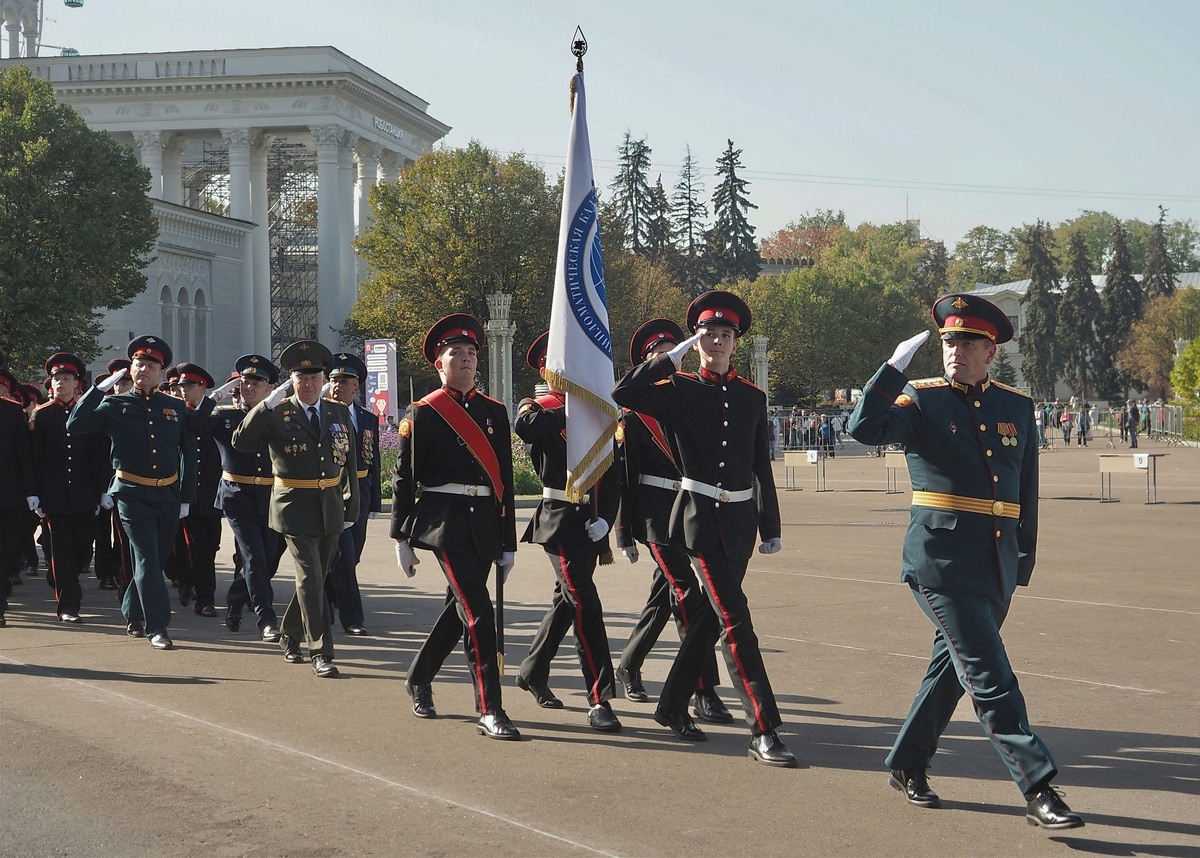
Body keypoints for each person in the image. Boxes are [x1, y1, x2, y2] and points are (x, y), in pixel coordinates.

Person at [847, 292, 1083, 830]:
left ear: (990, 351)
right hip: (940, 563)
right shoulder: (920, 399)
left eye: (968, 342)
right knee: (989, 674)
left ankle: (907, 761)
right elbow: (863, 430)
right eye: (949, 341)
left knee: (949, 673)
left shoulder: (1016, 406)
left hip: (996, 563)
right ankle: (1038, 783)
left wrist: (1023, 559)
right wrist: (889, 373)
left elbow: (1026, 491)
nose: (955, 350)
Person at [612, 291, 796, 767]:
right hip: (697, 520)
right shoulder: (678, 389)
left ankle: (673, 703)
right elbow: (623, 395)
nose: (717, 341)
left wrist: (770, 523)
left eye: (725, 335)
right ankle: (764, 728)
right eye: (708, 334)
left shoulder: (753, 397)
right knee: (738, 622)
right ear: (697, 342)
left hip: (740, 524)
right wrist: (666, 360)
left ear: (736, 343)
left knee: (713, 619)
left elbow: (761, 467)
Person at [391, 315, 519, 740]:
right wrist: (400, 538)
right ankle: (490, 708)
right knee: (479, 614)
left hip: (483, 524)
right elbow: (404, 478)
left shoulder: (495, 412)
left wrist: (508, 541)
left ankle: (418, 677)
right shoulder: (424, 413)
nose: (464, 359)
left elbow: (505, 482)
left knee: (458, 612)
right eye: (455, 354)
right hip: (443, 523)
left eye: (470, 353)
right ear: (439, 364)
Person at [613, 319, 733, 726]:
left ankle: (628, 665)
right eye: (663, 355)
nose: (674, 359)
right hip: (656, 516)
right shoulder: (633, 416)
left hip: (691, 512)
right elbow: (625, 477)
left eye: (676, 350)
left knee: (662, 602)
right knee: (689, 597)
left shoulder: (690, 401)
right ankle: (703, 690)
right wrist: (624, 531)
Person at [514, 330, 623, 733]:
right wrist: (575, 409)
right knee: (585, 603)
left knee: (566, 600)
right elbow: (527, 426)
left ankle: (532, 670)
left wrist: (607, 519)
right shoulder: (539, 405)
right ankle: (599, 697)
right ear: (545, 368)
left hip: (590, 520)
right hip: (558, 515)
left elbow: (612, 475)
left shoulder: (597, 409)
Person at [232, 340, 359, 678]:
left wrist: (352, 508)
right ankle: (321, 652)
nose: (309, 384)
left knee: (315, 579)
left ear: (323, 380)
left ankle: (289, 632)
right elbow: (241, 442)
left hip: (330, 506)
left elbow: (350, 464)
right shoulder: (278, 412)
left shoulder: (337, 411)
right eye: (301, 378)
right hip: (294, 508)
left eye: (315, 377)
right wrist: (263, 406)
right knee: (310, 576)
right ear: (292, 380)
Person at [67, 336, 198, 649]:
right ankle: (158, 627)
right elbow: (75, 425)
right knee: (148, 560)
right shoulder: (114, 404)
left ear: (160, 372)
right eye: (139, 364)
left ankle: (132, 611)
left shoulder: (174, 407)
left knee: (153, 558)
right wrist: (95, 391)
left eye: (151, 365)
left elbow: (187, 453)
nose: (144, 369)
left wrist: (186, 496)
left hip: (167, 495)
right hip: (131, 494)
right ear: (132, 368)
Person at [199, 354, 286, 639]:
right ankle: (267, 619)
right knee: (254, 556)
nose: (248, 387)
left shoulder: (279, 417)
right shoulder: (224, 415)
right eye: (244, 381)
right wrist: (213, 397)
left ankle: (236, 600)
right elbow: (194, 425)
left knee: (267, 560)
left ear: (269, 388)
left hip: (271, 496)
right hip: (237, 496)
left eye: (256, 382)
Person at [29, 353, 106, 624]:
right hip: (55, 497)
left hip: (84, 496)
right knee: (61, 551)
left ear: (77, 384)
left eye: (67, 379)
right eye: (56, 379)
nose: (61, 383)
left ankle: (66, 582)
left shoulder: (88, 414)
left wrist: (102, 491)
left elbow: (98, 456)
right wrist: (35, 493)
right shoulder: (43, 414)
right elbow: (34, 457)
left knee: (83, 547)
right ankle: (68, 605)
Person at [325, 352, 380, 636]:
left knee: (352, 555)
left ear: (356, 387)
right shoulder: (321, 414)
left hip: (360, 493)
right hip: (331, 493)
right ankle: (353, 618)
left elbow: (374, 461)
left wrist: (375, 502)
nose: (337, 385)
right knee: (343, 557)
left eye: (344, 381)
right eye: (333, 379)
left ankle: (332, 597)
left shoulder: (367, 418)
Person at [172, 362, 224, 617]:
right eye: (181, 386)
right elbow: (194, 424)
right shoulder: (178, 412)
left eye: (189, 386)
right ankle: (204, 598)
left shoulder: (214, 415)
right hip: (187, 493)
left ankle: (190, 580)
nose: (184, 390)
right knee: (195, 547)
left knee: (211, 545)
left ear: (201, 387)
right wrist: (211, 402)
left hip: (211, 493)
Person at [0, 353, 36, 628]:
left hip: (8, 497)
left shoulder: (12, 411)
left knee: (5, 553)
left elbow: (24, 455)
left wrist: (30, 491)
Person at [91, 359, 133, 593]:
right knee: (102, 533)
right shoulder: (104, 411)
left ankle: (120, 570)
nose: (120, 388)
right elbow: (95, 453)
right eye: (116, 384)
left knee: (124, 535)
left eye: (125, 383)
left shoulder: (138, 411)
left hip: (128, 482)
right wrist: (100, 487)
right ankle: (105, 573)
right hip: (104, 481)